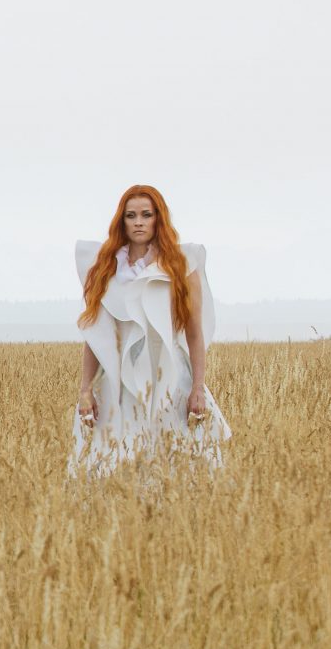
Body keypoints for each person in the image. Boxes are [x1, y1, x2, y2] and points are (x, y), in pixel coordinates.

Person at [71, 185, 229, 476]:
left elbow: (194, 333)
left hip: (169, 376)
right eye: (131, 216)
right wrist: (85, 390)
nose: (139, 222)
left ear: (159, 218)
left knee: (177, 461)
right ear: (122, 221)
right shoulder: (105, 268)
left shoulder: (182, 265)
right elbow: (96, 337)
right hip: (119, 383)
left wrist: (197, 387)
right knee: (114, 463)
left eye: (146, 215)